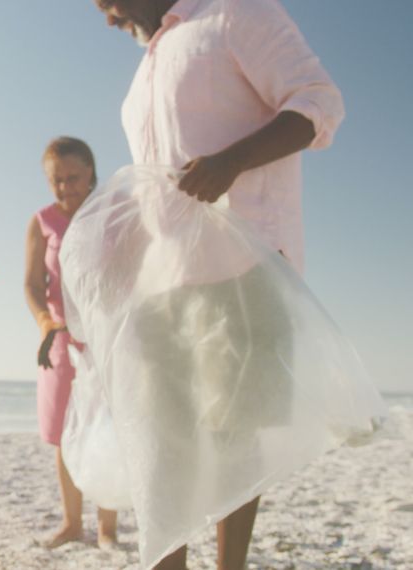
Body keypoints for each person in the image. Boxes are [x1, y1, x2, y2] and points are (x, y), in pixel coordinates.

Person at [91, 0, 344, 568]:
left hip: (243, 268)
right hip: (161, 285)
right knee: (159, 441)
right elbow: (154, 189)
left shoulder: (236, 12)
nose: (107, 19)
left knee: (236, 441)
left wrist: (230, 162)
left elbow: (319, 102)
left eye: (108, 3)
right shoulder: (140, 78)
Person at [24, 137, 118, 549]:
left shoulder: (111, 213)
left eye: (73, 178)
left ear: (92, 174)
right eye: (56, 181)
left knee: (106, 428)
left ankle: (107, 529)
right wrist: (45, 322)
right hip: (60, 341)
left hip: (106, 340)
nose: (65, 188)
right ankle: (71, 523)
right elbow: (31, 284)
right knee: (65, 431)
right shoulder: (42, 221)